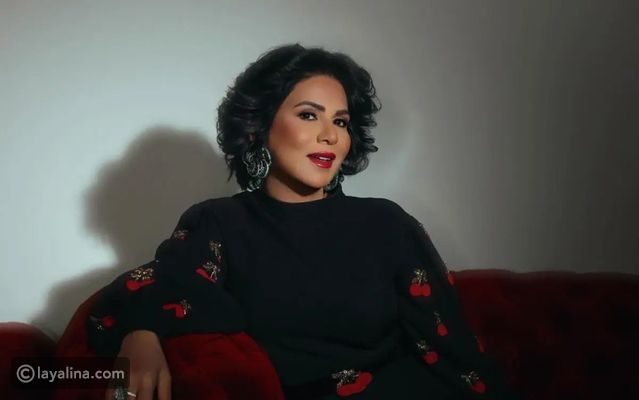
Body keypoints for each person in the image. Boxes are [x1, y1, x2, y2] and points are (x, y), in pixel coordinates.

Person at [87, 43, 520, 400]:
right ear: (259, 127)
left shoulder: (388, 224)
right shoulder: (220, 222)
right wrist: (141, 334)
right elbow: (163, 287)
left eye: (341, 121)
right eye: (309, 115)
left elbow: (454, 353)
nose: (330, 135)